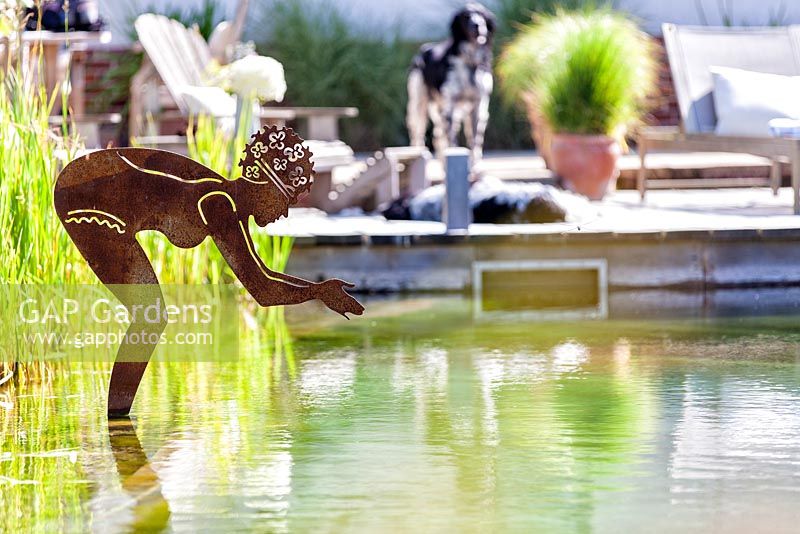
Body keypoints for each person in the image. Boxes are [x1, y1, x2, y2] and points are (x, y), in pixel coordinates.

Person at [54, 126, 364, 416]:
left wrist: (318, 291)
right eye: (284, 199)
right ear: (262, 184)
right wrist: (318, 292)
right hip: (88, 196)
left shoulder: (224, 200)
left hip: (95, 186)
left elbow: (262, 276)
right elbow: (263, 290)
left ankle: (118, 418)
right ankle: (117, 418)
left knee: (150, 315)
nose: (283, 211)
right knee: (150, 316)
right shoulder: (219, 203)